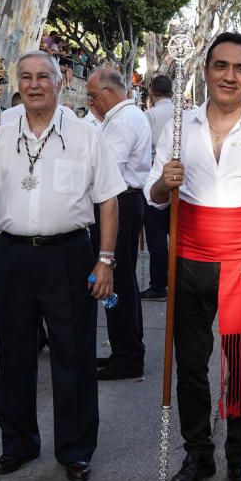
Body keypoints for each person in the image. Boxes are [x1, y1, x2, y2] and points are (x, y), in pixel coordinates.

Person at [0, 50, 125, 481]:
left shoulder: (86, 136)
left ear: (59, 82)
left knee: (74, 354)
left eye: (42, 77)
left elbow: (108, 200)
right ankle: (19, 443)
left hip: (69, 255)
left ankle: (76, 449)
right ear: (17, 84)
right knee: (15, 354)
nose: (33, 85)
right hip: (12, 256)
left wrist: (105, 261)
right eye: (25, 77)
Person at [147, 31, 241, 481]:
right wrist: (163, 183)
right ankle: (197, 452)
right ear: (206, 71)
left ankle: (240, 456)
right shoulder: (177, 126)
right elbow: (152, 192)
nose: (230, 75)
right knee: (190, 363)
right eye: (221, 66)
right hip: (189, 258)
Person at [85, 67, 152, 380]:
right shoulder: (122, 117)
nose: (91, 101)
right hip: (121, 200)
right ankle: (124, 348)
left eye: (94, 95)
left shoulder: (123, 120)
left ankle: (127, 356)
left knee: (115, 279)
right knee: (122, 280)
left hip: (119, 202)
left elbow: (107, 168)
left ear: (110, 93)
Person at [141, 74, 176, 301]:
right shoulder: (184, 114)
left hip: (157, 179)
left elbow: (143, 148)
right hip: (180, 180)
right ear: (172, 93)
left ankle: (159, 285)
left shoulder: (149, 116)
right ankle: (177, 281)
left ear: (152, 93)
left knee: (156, 239)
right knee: (177, 236)